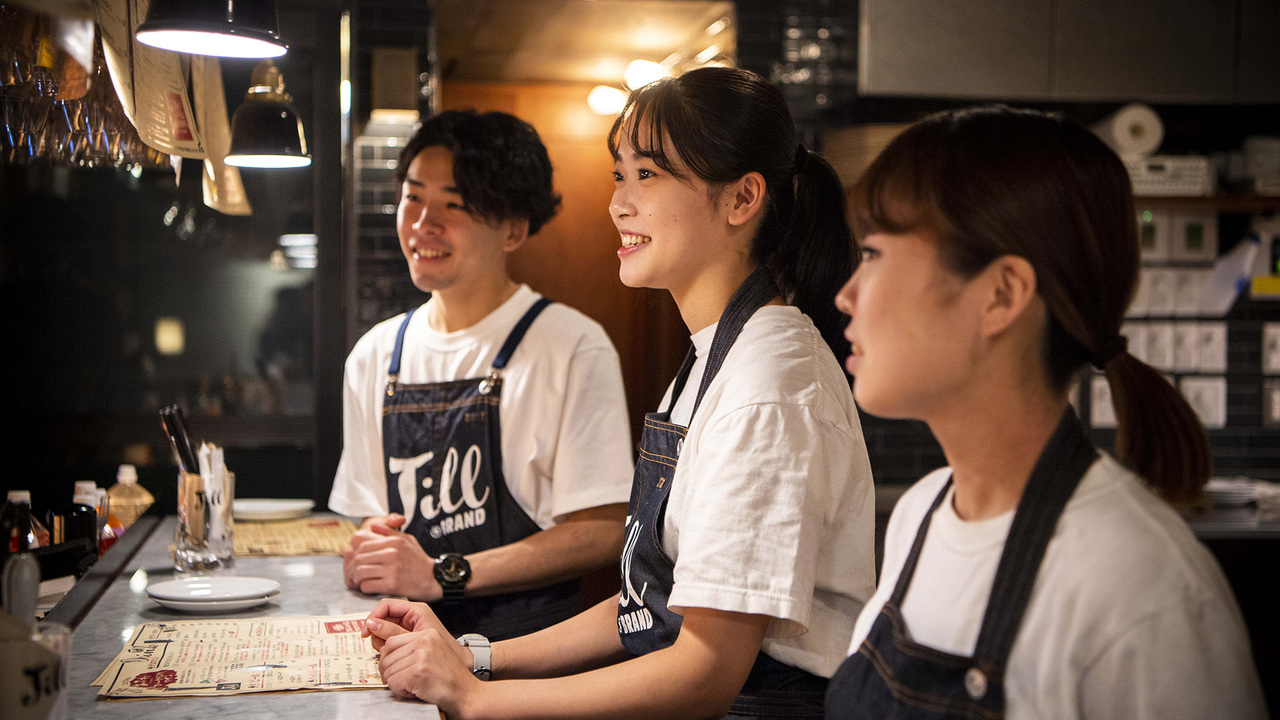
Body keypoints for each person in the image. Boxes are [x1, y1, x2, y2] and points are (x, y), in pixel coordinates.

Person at [359, 67, 877, 719]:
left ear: (742, 199)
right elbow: (645, 602)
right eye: (619, 175)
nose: (618, 205)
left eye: (648, 175)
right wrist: (479, 658)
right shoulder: (713, 358)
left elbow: (706, 672)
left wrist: (476, 700)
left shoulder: (769, 382)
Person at [825, 106, 1267, 719]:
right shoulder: (920, 515)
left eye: (872, 255)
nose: (845, 296)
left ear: (1001, 294)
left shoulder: (1142, 587)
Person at [330, 109, 634, 641]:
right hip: (404, 644)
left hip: (530, 656)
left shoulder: (571, 345)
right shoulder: (375, 355)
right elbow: (369, 514)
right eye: (413, 197)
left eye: (455, 205)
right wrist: (374, 542)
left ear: (513, 229)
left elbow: (605, 531)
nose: (424, 224)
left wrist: (441, 575)